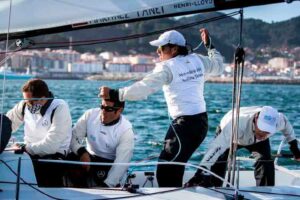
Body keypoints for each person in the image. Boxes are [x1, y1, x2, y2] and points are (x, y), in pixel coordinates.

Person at [100, 28, 224, 187]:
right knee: (175, 167)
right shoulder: (198, 60)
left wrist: (116, 94)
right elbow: (218, 65)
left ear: (174, 49)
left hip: (185, 125)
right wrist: (209, 45)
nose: (158, 51)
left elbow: (144, 88)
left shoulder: (166, 67)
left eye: (161, 48)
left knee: (165, 171)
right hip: (201, 124)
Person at [186, 106, 300, 187]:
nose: (264, 134)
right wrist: (201, 171)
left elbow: (287, 126)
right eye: (262, 129)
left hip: (254, 138)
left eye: (268, 131)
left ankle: (266, 189)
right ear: (256, 119)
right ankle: (215, 187)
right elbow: (215, 148)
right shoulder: (236, 124)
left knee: (265, 160)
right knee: (219, 160)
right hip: (232, 134)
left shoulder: (278, 120)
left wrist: (294, 148)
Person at [6, 78, 72, 187]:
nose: (27, 104)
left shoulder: (60, 107)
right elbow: (7, 124)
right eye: (25, 100)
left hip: (55, 156)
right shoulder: (24, 105)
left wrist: (25, 148)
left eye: (29, 101)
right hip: (28, 152)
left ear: (42, 99)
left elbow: (51, 146)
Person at [69, 98, 134, 188]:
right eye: (102, 107)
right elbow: (72, 137)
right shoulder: (89, 115)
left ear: (119, 110)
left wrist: (106, 187)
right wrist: (81, 151)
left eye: (108, 109)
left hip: (109, 163)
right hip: (89, 158)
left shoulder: (126, 131)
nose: (103, 111)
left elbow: (121, 163)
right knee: (70, 157)